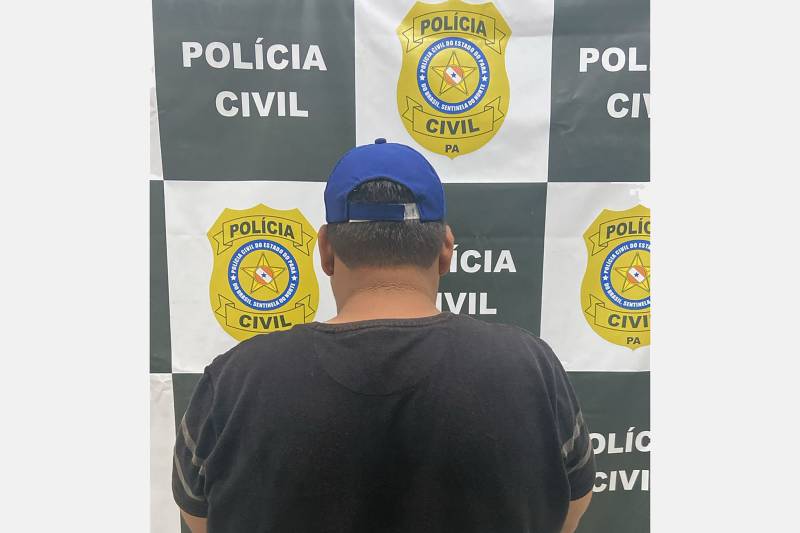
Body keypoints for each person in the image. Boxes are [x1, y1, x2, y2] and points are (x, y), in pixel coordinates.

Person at [172, 139, 595, 533]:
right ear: (446, 249)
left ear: (325, 250)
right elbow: (570, 509)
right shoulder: (532, 370)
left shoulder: (234, 382)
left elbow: (199, 518)